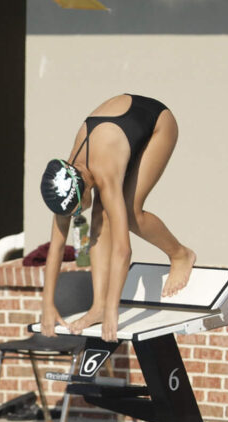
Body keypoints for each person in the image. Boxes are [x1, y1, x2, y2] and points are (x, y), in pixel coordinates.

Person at [38, 94, 195, 343]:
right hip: (118, 129)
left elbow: (123, 249)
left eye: (77, 210)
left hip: (157, 123)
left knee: (130, 214)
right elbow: (55, 248)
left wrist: (114, 309)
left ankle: (180, 254)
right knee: (99, 218)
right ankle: (97, 306)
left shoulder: (104, 173)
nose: (78, 216)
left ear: (84, 190)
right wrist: (47, 304)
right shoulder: (65, 180)